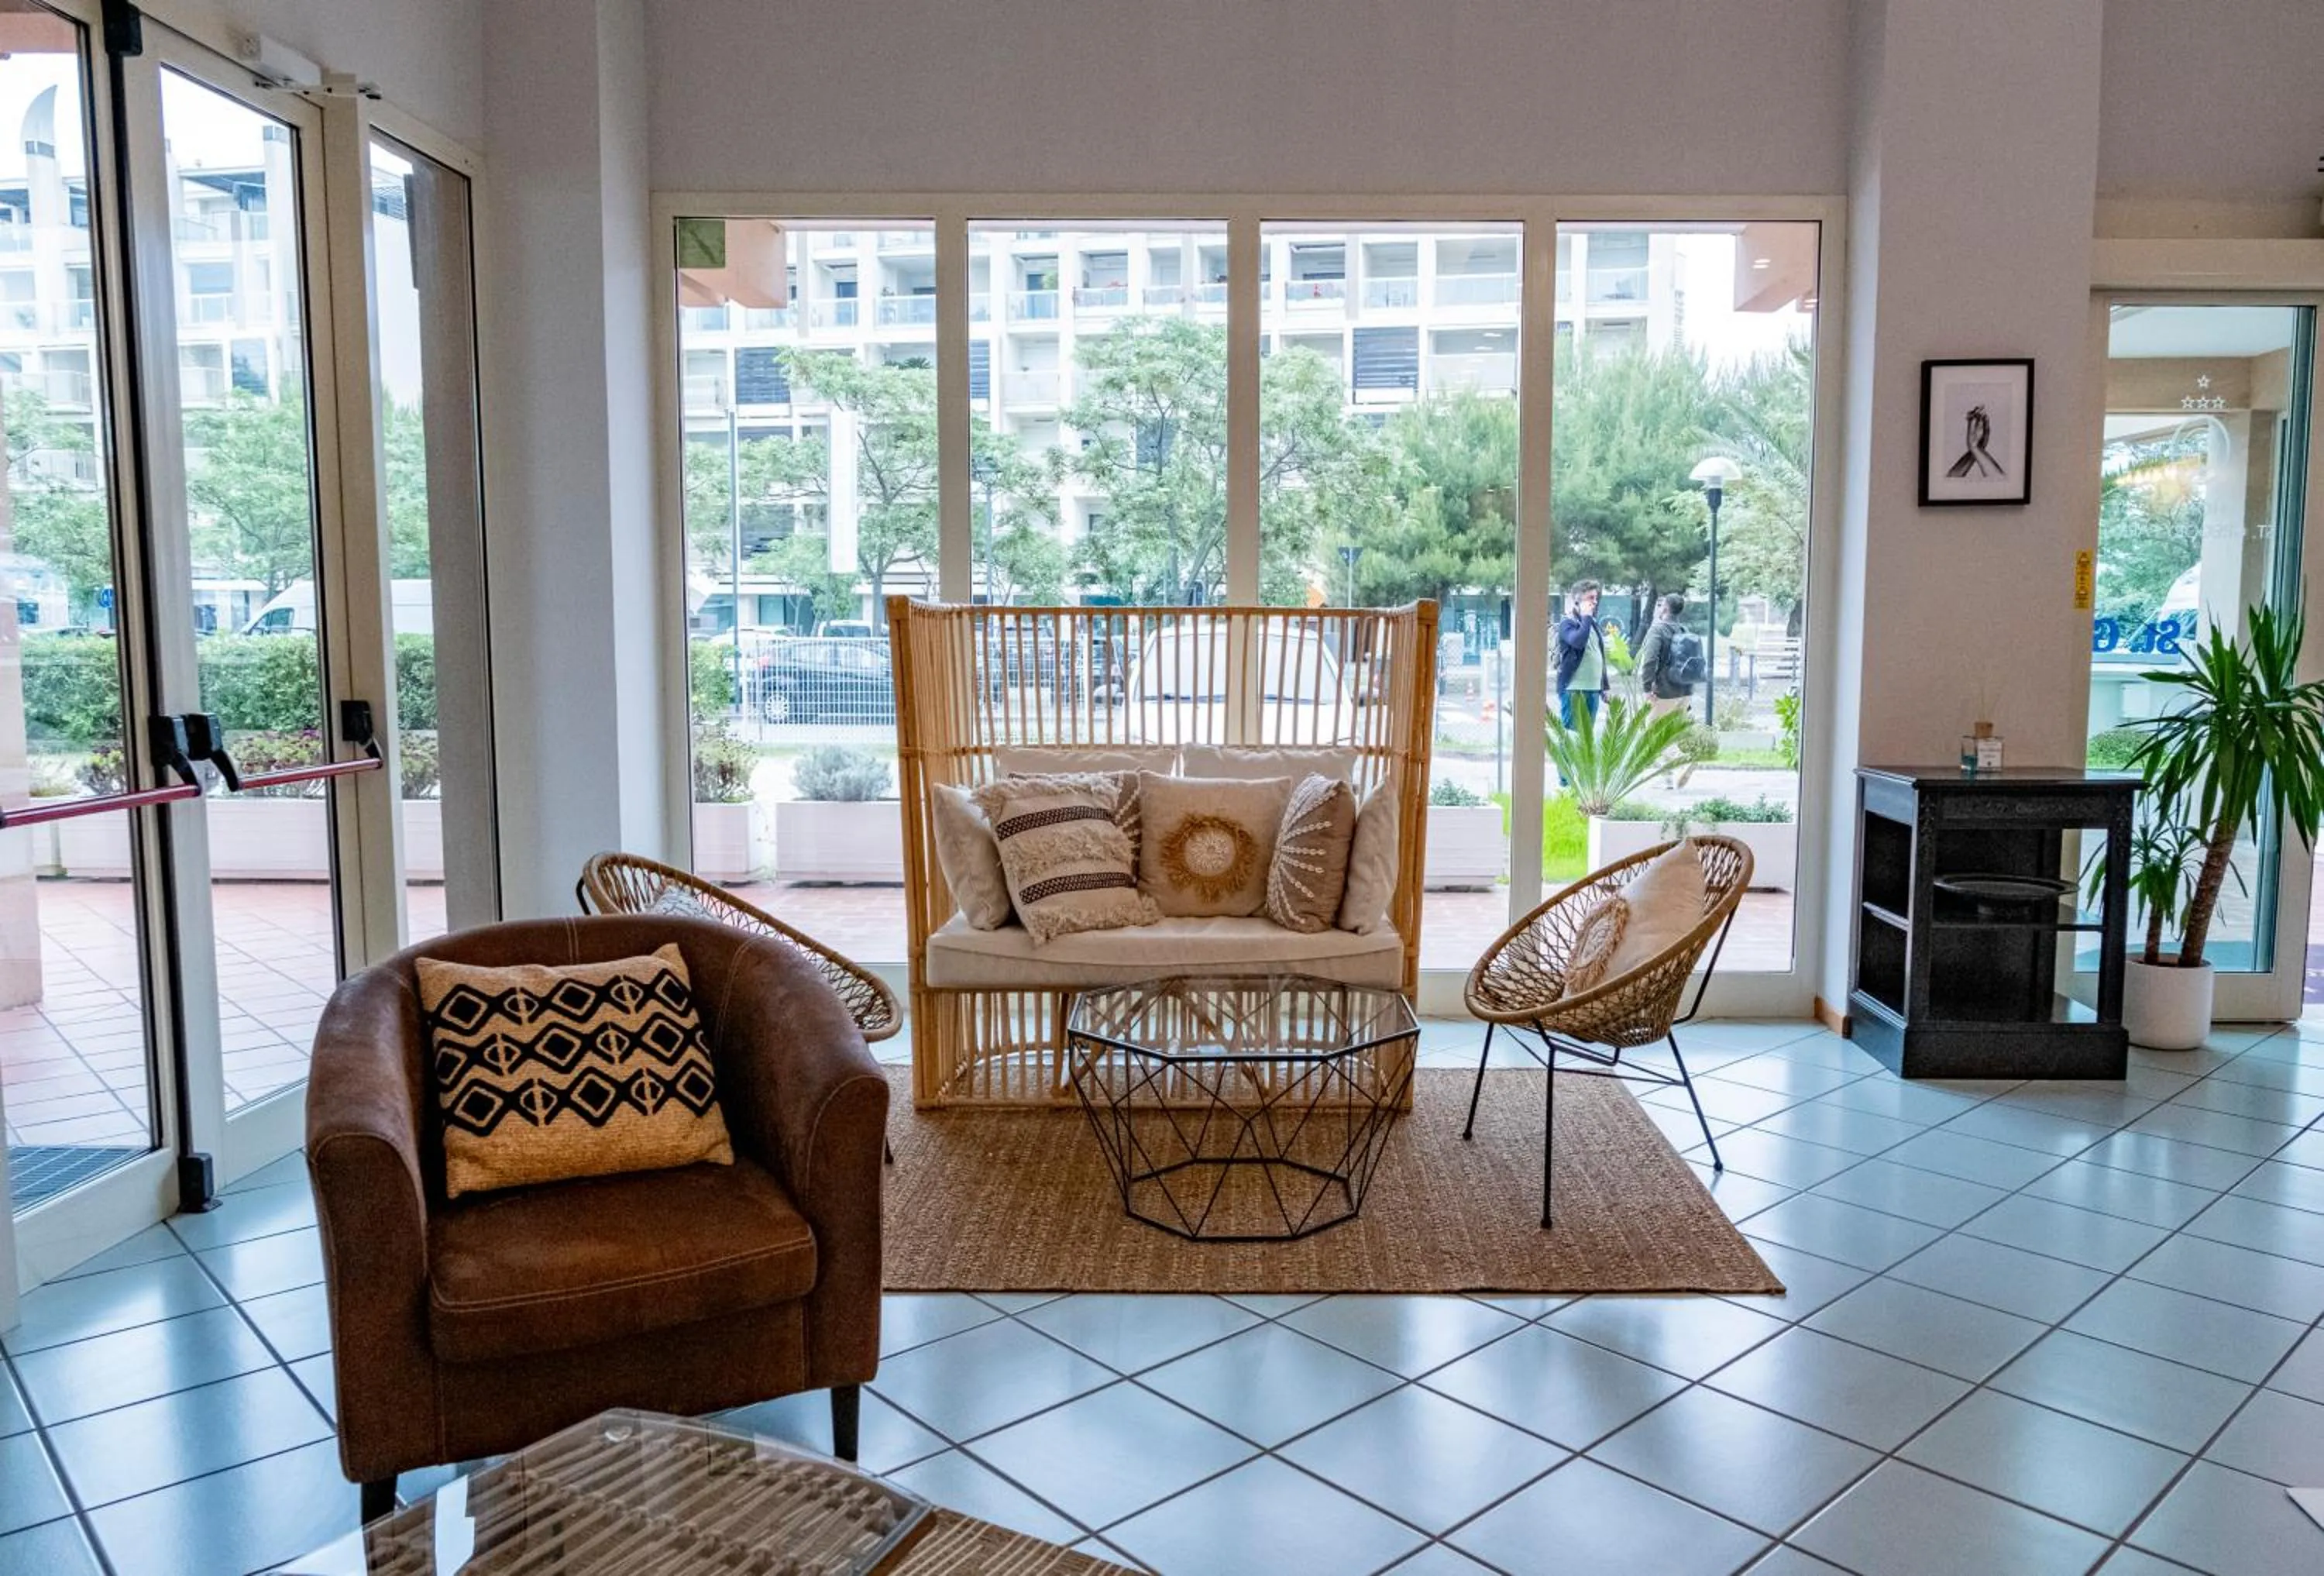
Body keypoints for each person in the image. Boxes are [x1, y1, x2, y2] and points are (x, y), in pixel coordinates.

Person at [1635, 593, 1707, 717]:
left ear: (1665, 608)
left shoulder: (1658, 630)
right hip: (1685, 692)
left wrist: (1647, 689)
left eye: (1661, 605)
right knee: (1676, 733)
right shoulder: (1684, 630)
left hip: (1664, 693)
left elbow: (1650, 660)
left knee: (1653, 733)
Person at [1555, 581, 1610, 728]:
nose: (1595, 602)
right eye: (1590, 598)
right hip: (1574, 689)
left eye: (1596, 598)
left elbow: (1599, 654)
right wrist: (1586, 617)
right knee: (1572, 738)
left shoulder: (1592, 624)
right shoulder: (1568, 623)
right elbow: (1578, 642)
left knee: (1586, 739)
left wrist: (1604, 686)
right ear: (1577, 601)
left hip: (1593, 689)